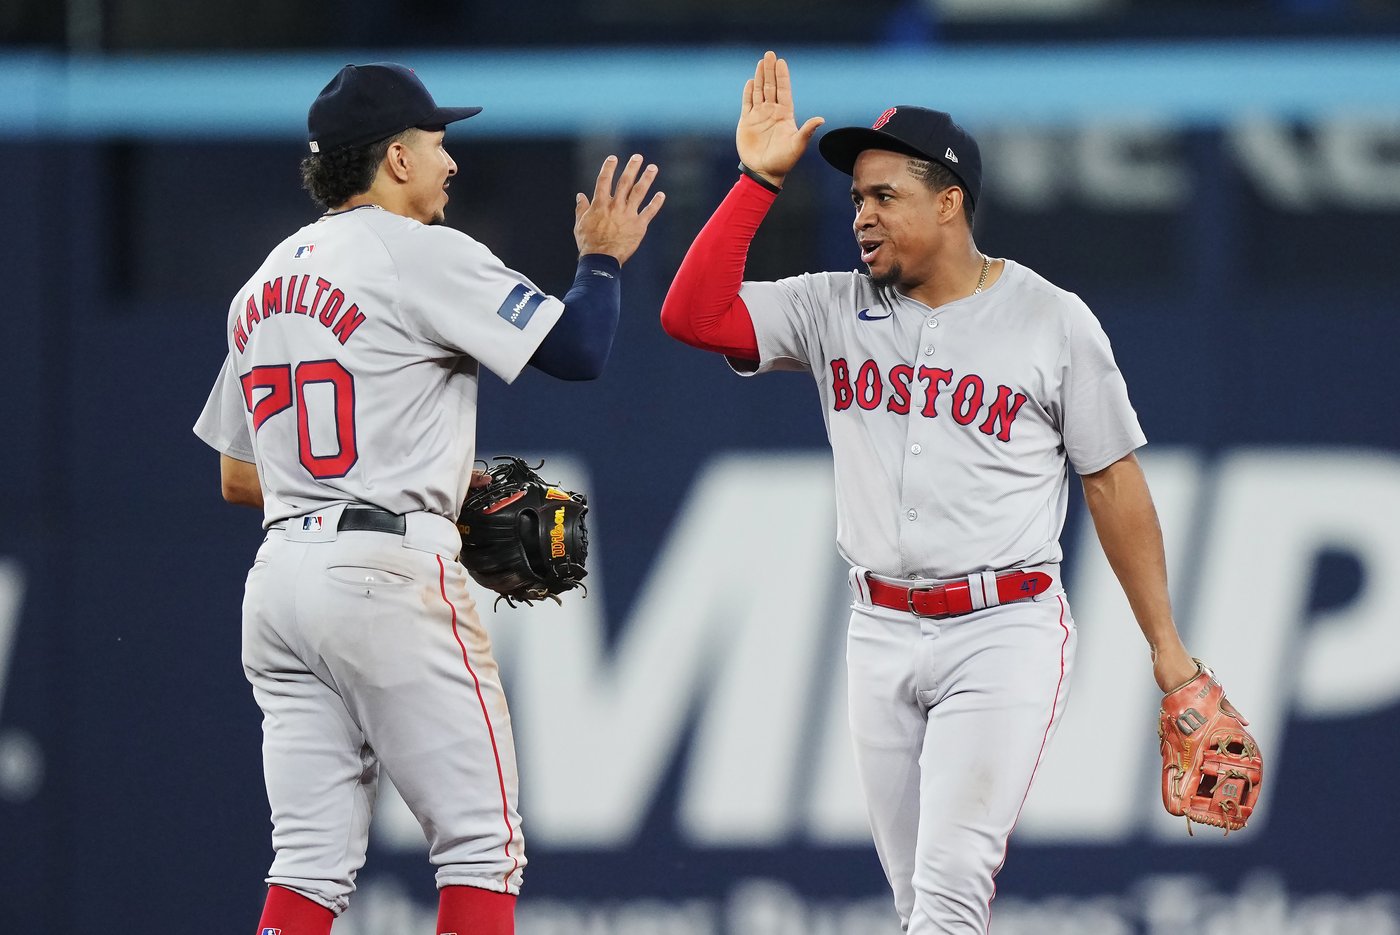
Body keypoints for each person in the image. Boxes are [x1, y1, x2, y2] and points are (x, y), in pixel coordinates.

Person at [660, 51, 1198, 934]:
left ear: (949, 200)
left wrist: (1166, 648)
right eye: (856, 200)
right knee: (918, 905)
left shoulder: (1049, 318)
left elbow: (1112, 479)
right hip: (878, 628)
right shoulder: (832, 307)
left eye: (883, 196)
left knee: (947, 899)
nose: (861, 216)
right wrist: (757, 181)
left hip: (1004, 628)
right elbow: (692, 315)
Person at [193, 62, 663, 935]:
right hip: (384, 573)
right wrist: (600, 258)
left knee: (306, 866)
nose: (452, 162)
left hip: (280, 586)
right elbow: (579, 350)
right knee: (484, 850)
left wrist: (403, 485)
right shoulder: (417, 250)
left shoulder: (260, 286)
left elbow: (236, 475)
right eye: (439, 142)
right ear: (395, 157)